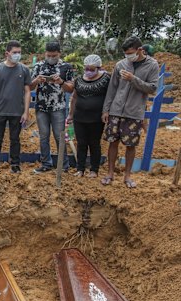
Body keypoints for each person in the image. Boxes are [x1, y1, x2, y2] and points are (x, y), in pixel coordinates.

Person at [102, 36, 159, 188]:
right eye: (126, 54)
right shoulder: (120, 64)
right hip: (116, 110)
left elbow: (153, 88)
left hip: (134, 112)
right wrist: (106, 110)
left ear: (140, 50)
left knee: (130, 145)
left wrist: (133, 79)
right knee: (112, 142)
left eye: (131, 53)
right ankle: (110, 173)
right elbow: (112, 88)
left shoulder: (152, 65)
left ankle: (127, 176)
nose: (128, 56)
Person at [0, 40, 31, 173]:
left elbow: (28, 91)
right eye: (15, 52)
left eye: (19, 52)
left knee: (15, 139)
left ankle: (15, 164)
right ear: (7, 53)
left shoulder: (24, 70)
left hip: (17, 111)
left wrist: (26, 111)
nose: (17, 55)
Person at [30, 41, 74, 174]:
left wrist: (60, 82)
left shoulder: (66, 67)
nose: (51, 57)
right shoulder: (38, 66)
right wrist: (37, 80)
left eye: (54, 55)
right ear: (45, 53)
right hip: (41, 107)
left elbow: (71, 88)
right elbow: (29, 86)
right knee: (44, 136)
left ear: (59, 54)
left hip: (58, 107)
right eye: (49, 55)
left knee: (59, 136)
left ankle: (63, 165)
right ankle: (46, 164)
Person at [67, 54, 111, 178]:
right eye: (87, 69)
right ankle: (80, 169)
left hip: (97, 118)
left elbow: (110, 96)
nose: (89, 72)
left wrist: (106, 111)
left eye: (92, 69)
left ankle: (94, 170)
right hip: (80, 117)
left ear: (99, 68)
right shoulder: (79, 80)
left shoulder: (106, 79)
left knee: (94, 143)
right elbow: (74, 97)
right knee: (81, 143)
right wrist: (71, 114)